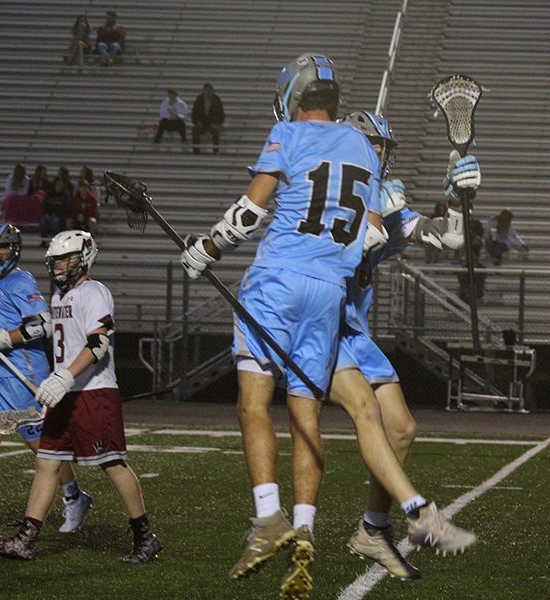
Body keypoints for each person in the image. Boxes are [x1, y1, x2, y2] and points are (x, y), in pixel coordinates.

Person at [179, 54, 387, 599]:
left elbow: (250, 212)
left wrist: (206, 248)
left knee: (253, 401)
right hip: (329, 293)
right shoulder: (364, 145)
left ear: (296, 95)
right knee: (305, 415)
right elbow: (373, 235)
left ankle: (268, 518)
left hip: (278, 281)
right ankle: (306, 529)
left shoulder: (287, 133)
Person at [328, 111, 480, 581]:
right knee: (363, 417)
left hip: (354, 330)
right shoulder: (327, 190)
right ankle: (416, 514)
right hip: (316, 323)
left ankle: (372, 530)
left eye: (383, 146)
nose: (380, 153)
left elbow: (450, 237)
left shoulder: (379, 194)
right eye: (371, 144)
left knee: (402, 429)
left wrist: (456, 196)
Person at [0, 230, 162, 564]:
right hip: (66, 390)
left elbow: (98, 343)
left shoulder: (93, 292)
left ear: (85, 256)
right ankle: (26, 539)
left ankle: (145, 537)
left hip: (93, 391)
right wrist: (57, 379)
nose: (60, 265)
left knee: (112, 464)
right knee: (47, 462)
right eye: (56, 259)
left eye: (66, 257)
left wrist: (65, 375)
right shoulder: (61, 297)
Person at [0, 224, 92, 534]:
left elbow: (42, 325)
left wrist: (3, 339)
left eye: (3, 247)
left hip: (23, 372)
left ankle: (75, 497)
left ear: (15, 249)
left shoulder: (22, 281)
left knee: (40, 444)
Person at [459, 219, 487, 303]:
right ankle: (465, 294)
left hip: (478, 265)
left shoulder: (479, 241)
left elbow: (480, 252)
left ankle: (476, 294)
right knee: (463, 275)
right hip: (469, 265)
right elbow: (462, 252)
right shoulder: (466, 241)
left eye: (473, 230)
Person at [192, 83, 225, 154]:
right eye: (206, 90)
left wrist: (216, 123)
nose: (208, 92)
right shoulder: (199, 99)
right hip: (201, 123)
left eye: (209, 90)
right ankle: (196, 151)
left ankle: (215, 151)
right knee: (195, 130)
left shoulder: (216, 99)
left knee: (215, 132)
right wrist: (197, 122)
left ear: (212, 91)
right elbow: (195, 112)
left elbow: (220, 113)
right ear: (203, 91)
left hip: (212, 124)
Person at [39, 176, 70, 246]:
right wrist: (47, 214)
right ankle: (43, 241)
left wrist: (55, 214)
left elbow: (64, 208)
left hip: (59, 216)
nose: (59, 186)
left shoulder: (65, 195)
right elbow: (45, 205)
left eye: (60, 184)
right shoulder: (50, 194)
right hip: (48, 215)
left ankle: (56, 241)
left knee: (55, 222)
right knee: (42, 221)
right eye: (57, 184)